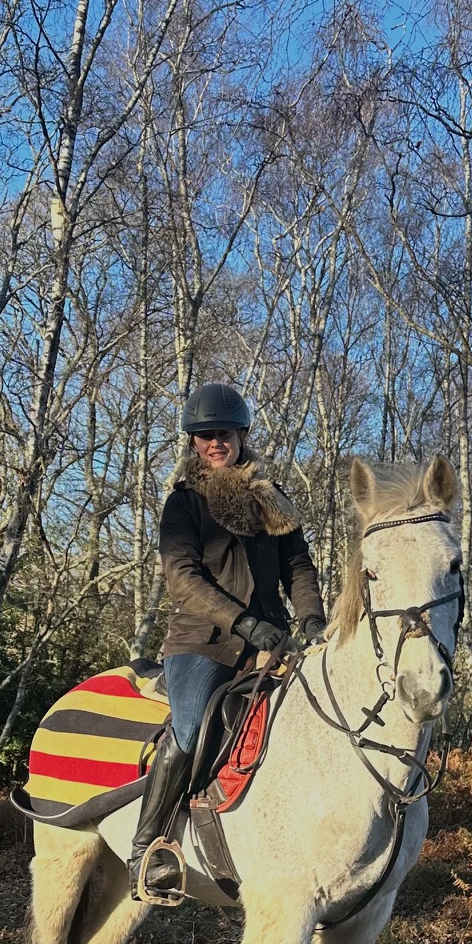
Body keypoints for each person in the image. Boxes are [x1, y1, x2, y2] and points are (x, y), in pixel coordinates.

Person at [129, 381, 326, 900]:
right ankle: (146, 849)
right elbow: (184, 578)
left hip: (274, 643)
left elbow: (298, 565)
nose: (217, 442)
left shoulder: (271, 500)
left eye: (226, 433)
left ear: (242, 436)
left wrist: (309, 619)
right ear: (194, 442)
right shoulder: (184, 504)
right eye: (206, 435)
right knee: (193, 729)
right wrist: (242, 622)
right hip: (203, 644)